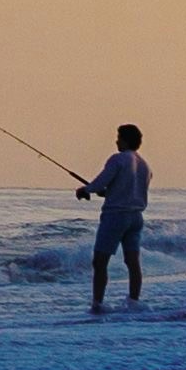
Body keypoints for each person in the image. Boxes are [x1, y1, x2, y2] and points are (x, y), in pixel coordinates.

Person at [76, 124, 151, 312]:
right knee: (133, 262)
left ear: (125, 139)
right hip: (136, 217)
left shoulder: (118, 159)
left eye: (119, 137)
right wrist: (107, 192)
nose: (116, 141)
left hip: (115, 217)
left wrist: (85, 190)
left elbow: (100, 182)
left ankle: (97, 304)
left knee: (100, 261)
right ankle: (134, 301)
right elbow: (127, 187)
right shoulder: (144, 164)